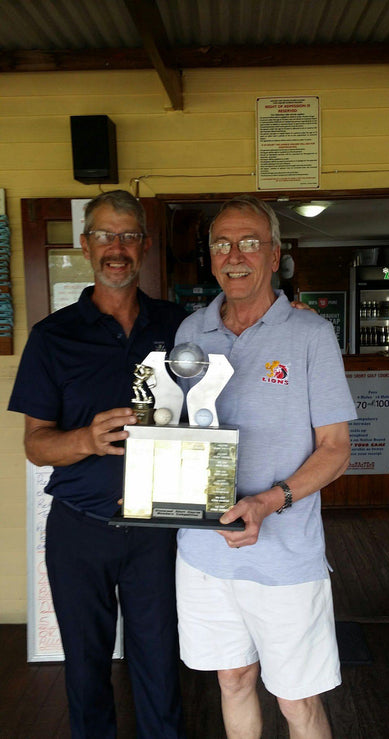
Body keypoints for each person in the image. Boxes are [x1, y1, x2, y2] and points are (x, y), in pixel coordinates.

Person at [174, 195, 357, 739]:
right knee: (232, 679)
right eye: (222, 244)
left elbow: (336, 448)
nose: (236, 255)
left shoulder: (309, 335)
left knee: (297, 701)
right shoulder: (189, 333)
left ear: (274, 255)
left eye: (250, 242)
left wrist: (265, 501)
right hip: (203, 551)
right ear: (210, 259)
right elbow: (179, 434)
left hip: (285, 557)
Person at [8, 190, 186, 739]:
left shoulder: (180, 328)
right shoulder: (52, 337)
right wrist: (85, 439)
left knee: (160, 665)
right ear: (86, 245)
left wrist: (287, 311)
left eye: (128, 236)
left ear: (145, 246)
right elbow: (35, 445)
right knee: (85, 670)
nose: (117, 248)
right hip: (79, 529)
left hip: (158, 530)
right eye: (105, 235)